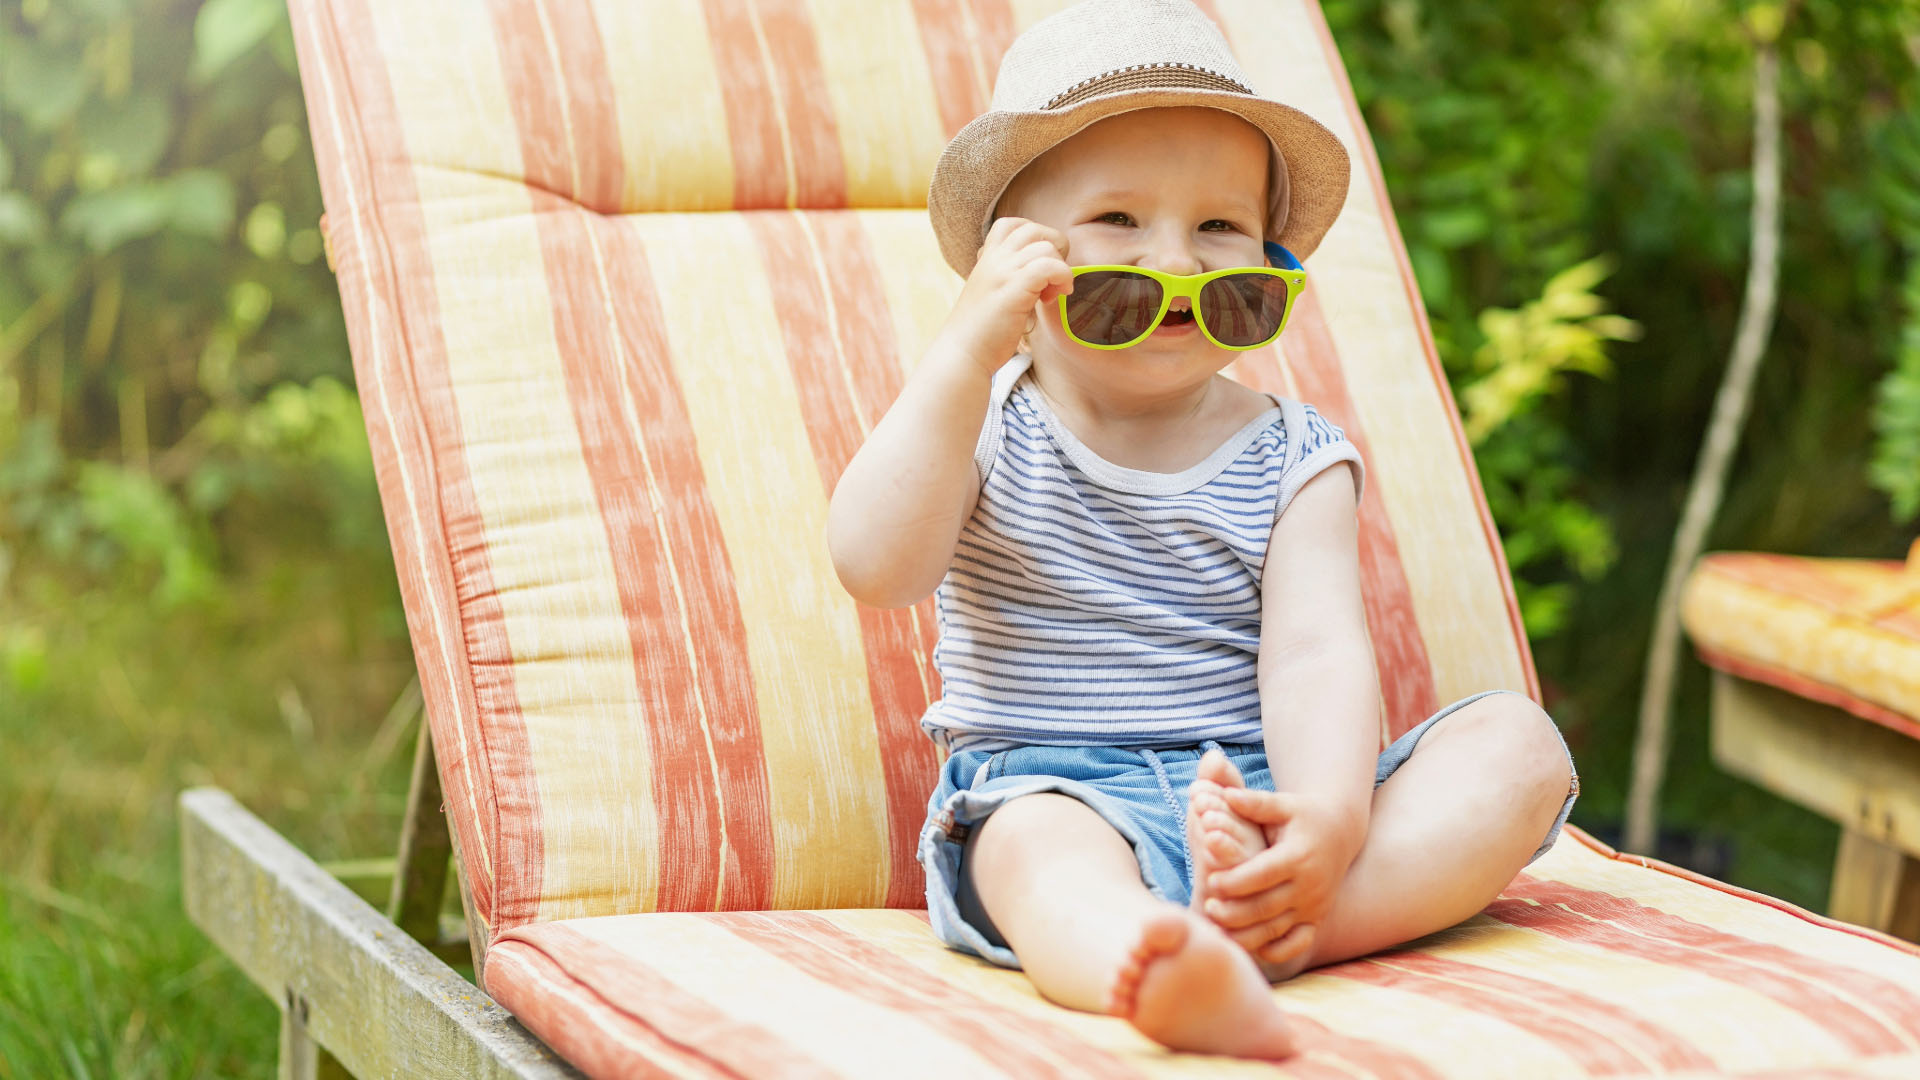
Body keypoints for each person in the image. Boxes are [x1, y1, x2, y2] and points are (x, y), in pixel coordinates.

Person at [826, 0, 1579, 1060]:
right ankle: (1143, 954)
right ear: (1018, 258)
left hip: (1261, 791)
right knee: (1032, 854)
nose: (1177, 263)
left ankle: (1291, 914)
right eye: (1120, 223)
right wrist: (961, 354)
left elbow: (1318, 655)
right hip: (1055, 787)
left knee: (1517, 749)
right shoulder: (982, 422)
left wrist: (1325, 821)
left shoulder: (1295, 455)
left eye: (1218, 227)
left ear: (1266, 257)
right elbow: (875, 565)